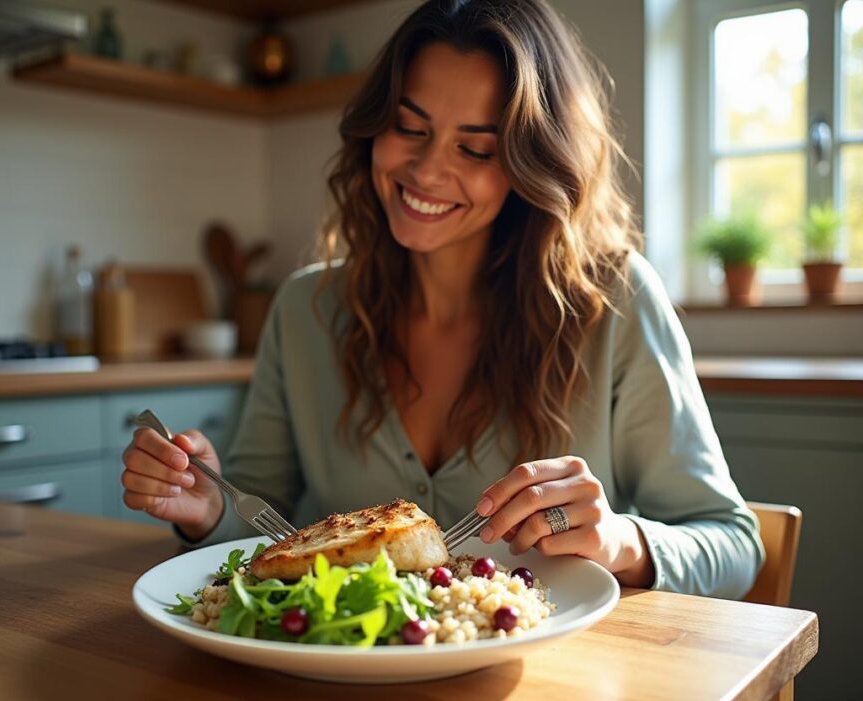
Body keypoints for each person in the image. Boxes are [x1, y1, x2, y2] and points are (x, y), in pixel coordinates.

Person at [121, 0, 764, 598]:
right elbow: (265, 532)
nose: (427, 172)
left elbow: (734, 545)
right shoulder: (303, 309)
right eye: (409, 127)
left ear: (528, 163)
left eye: (476, 148)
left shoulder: (615, 301)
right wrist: (205, 510)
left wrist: (621, 540)